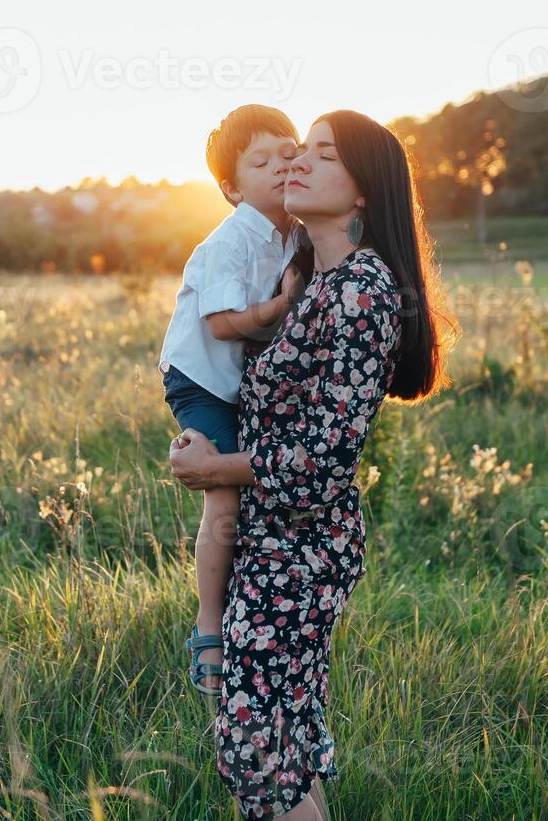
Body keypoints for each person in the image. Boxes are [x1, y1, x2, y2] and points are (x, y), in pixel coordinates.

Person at [170, 109, 456, 820]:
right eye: (299, 152)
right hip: (267, 537)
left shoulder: (362, 288)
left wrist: (218, 470)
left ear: (362, 190)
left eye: (320, 155)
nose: (297, 163)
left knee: (253, 740)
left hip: (300, 545)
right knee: (277, 739)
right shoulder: (314, 278)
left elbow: (323, 459)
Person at [158, 104, 309, 695]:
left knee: (258, 489)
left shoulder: (294, 233)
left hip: (241, 378)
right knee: (223, 493)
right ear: (230, 187)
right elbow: (222, 325)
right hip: (200, 377)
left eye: (289, 151)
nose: (281, 166)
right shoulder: (231, 240)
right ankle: (209, 626)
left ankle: (256, 600)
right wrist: (284, 305)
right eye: (261, 160)